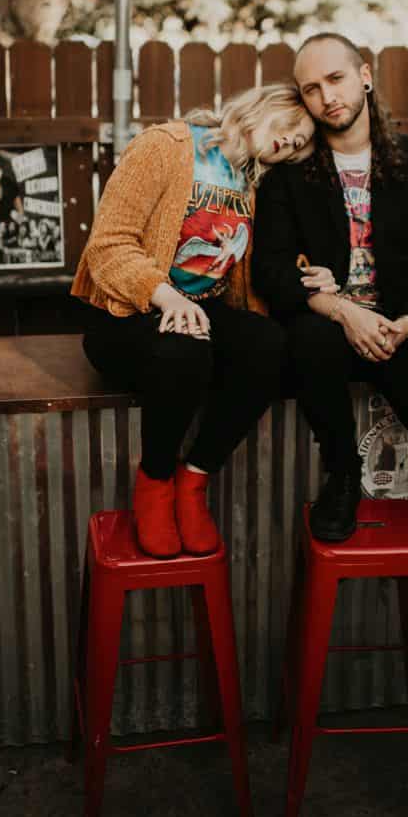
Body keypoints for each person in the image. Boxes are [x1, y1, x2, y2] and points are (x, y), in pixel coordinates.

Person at [251, 31, 408, 701]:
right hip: (331, 332)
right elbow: (271, 272)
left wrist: (404, 322)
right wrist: (340, 309)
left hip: (404, 331)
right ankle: (343, 470)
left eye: (335, 79)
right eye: (311, 87)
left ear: (364, 77)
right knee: (303, 338)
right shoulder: (292, 174)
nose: (326, 96)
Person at [72, 83, 315, 559]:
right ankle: (155, 483)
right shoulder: (166, 146)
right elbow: (107, 244)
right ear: (262, 107)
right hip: (125, 316)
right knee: (185, 345)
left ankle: (194, 480)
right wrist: (165, 297)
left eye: (303, 143)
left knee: (267, 343)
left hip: (199, 317)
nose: (293, 142)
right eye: (291, 128)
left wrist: (308, 274)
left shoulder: (253, 183)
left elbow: (254, 268)